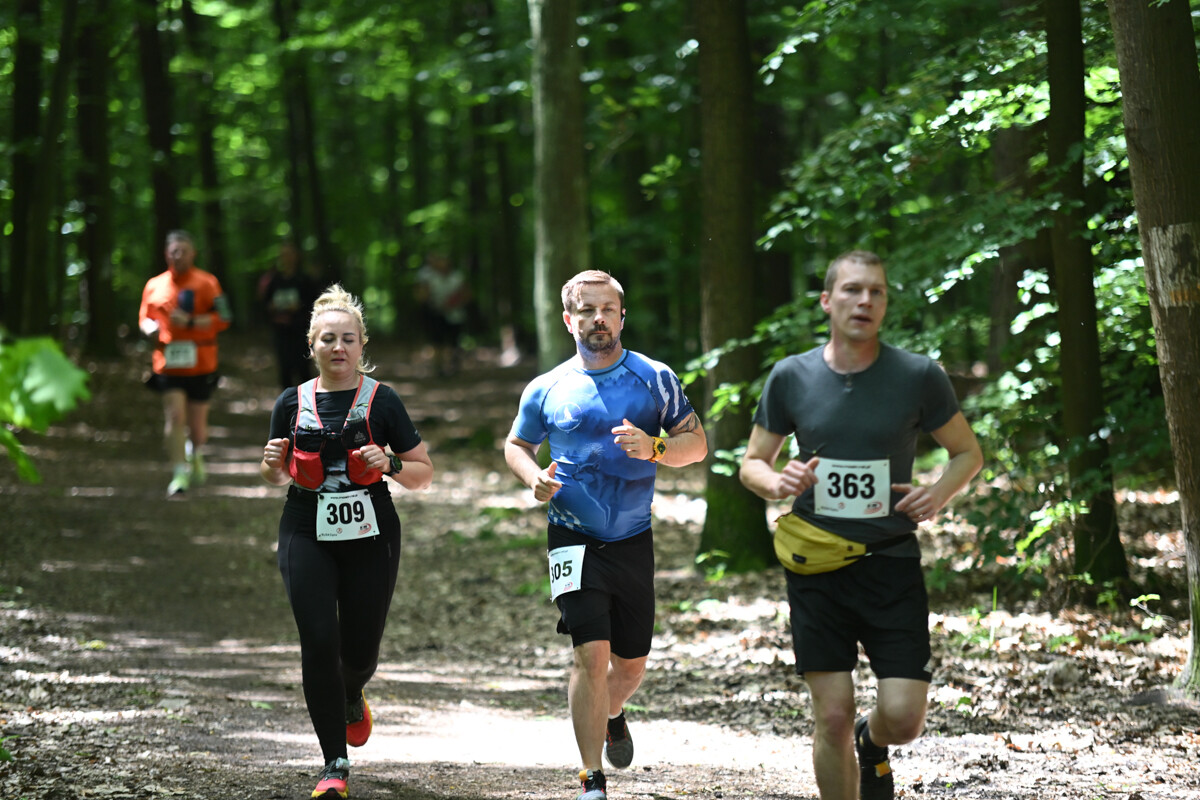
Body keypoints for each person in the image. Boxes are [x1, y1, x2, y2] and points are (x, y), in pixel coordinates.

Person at [737, 250, 983, 800]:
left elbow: (967, 453)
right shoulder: (791, 376)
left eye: (876, 291)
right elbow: (752, 462)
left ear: (885, 303)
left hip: (890, 560)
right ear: (828, 301)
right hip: (816, 564)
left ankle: (874, 744)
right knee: (831, 716)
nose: (864, 300)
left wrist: (937, 492)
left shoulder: (918, 375)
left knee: (904, 719)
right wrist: (777, 482)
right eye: (852, 290)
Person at [504, 270, 708, 800]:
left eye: (609, 309)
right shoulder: (546, 387)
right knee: (589, 654)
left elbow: (698, 445)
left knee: (631, 665)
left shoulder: (654, 378)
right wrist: (535, 478)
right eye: (588, 310)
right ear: (569, 320)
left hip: (633, 538)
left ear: (622, 316)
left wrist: (655, 447)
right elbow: (516, 445)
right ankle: (591, 776)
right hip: (570, 538)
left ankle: (613, 713)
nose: (599, 319)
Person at [259, 284, 434, 800]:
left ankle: (353, 690)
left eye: (348, 339)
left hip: (370, 532)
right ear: (311, 345)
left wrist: (393, 464)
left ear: (362, 346)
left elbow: (423, 473)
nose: (338, 348)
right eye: (328, 339)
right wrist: (272, 465)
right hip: (304, 529)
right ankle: (334, 764)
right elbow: (274, 476)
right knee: (318, 642)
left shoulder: (383, 400)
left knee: (359, 651)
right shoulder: (292, 401)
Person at [138, 230, 232, 497]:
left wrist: (191, 322)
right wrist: (149, 329)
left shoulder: (208, 282)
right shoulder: (154, 285)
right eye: (172, 251)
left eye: (182, 250)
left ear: (193, 253)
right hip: (168, 363)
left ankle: (196, 452)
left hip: (202, 363)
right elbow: (144, 318)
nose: (177, 255)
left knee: (198, 427)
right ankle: (179, 472)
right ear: (166, 254)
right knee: (175, 416)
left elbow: (224, 318)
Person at [259, 239, 320, 390]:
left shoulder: (304, 280)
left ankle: (307, 407)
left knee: (303, 370)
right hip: (281, 332)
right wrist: (272, 307)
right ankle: (288, 409)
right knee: (285, 370)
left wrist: (300, 307)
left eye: (290, 254)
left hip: (301, 332)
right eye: (283, 254)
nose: (287, 258)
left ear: (297, 256)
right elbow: (263, 304)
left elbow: (315, 304)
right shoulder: (274, 280)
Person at [415, 251, 471, 376]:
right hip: (435, 313)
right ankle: (438, 368)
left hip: (456, 314)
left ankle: (454, 366)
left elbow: (466, 294)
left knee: (454, 341)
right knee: (437, 342)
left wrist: (453, 303)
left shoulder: (457, 277)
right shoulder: (427, 276)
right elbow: (421, 296)